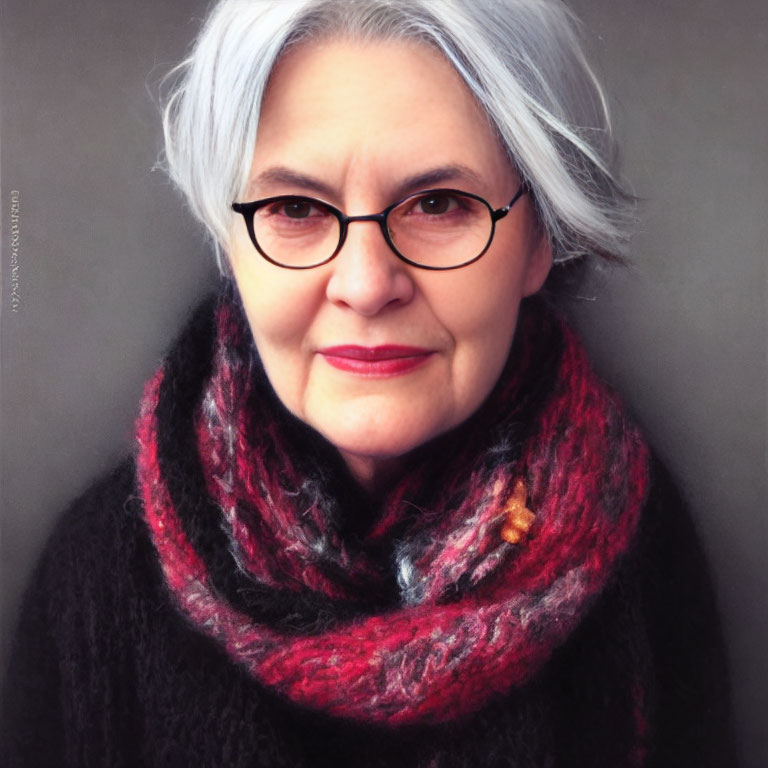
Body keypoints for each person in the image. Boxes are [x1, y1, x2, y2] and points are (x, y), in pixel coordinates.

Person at [1, 0, 738, 765]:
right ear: (230, 244)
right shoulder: (94, 584)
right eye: (295, 208)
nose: (365, 283)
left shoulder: (643, 549)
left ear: (538, 240)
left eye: (439, 205)